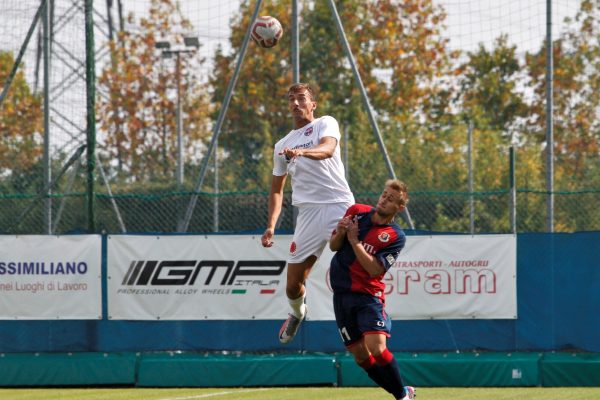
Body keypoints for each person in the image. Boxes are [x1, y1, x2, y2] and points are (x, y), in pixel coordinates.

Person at [261, 82, 354, 344]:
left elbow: (328, 149)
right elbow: (277, 191)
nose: (296, 103)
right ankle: (297, 312)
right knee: (292, 285)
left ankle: (367, 316)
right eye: (291, 99)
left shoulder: (326, 122)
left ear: (312, 104)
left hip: (339, 206)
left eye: (301, 98)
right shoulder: (282, 145)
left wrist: (303, 152)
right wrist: (271, 225)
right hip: (308, 215)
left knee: (356, 266)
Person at [329, 179, 415, 400]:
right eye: (384, 194)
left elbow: (375, 270)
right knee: (360, 357)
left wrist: (355, 241)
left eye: (391, 199)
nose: (384, 200)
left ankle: (402, 397)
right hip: (341, 295)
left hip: (368, 296)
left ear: (400, 208)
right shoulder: (357, 212)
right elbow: (333, 246)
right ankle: (402, 392)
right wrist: (341, 231)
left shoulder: (395, 236)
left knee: (376, 347)